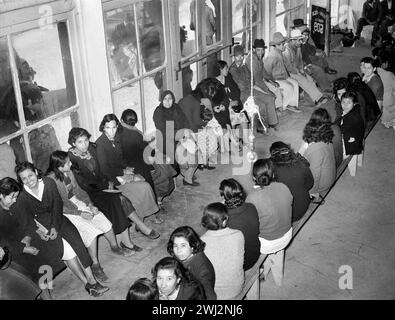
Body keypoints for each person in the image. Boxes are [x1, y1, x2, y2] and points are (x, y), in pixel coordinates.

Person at [12, 162, 109, 297]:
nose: (29, 180)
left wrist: (54, 226)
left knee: (78, 243)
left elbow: (57, 205)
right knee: (68, 252)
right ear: (21, 181)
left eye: (30, 175)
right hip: (41, 226)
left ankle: (92, 279)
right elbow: (28, 220)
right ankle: (87, 282)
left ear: (35, 171)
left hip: (57, 218)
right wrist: (40, 232)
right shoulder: (22, 195)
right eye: (24, 179)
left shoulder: (48, 183)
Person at [46, 151, 132, 282]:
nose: (70, 164)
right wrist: (80, 213)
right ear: (59, 166)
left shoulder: (69, 172)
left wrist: (90, 205)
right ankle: (95, 264)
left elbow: (79, 191)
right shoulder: (51, 181)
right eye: (68, 163)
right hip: (65, 212)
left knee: (102, 219)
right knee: (91, 232)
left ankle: (115, 247)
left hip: (76, 203)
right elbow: (58, 207)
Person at [67, 127, 149, 250]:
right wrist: (104, 186)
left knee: (120, 198)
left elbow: (103, 170)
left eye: (86, 140)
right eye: (80, 142)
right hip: (91, 192)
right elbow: (83, 183)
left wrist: (109, 182)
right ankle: (131, 236)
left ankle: (128, 239)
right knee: (118, 200)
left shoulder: (92, 150)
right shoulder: (71, 159)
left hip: (105, 185)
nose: (84, 145)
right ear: (73, 143)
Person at [95, 114, 162, 229]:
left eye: (114, 127)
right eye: (108, 128)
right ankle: (141, 219)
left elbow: (121, 159)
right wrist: (123, 173)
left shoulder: (116, 139)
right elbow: (104, 169)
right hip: (111, 181)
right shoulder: (101, 144)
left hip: (120, 174)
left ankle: (146, 215)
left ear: (117, 126)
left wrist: (127, 169)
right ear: (103, 128)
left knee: (145, 183)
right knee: (143, 187)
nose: (111, 131)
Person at [0, 177, 64, 282]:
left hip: (27, 237)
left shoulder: (18, 203)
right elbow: (3, 241)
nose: (15, 200)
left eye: (16, 196)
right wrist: (24, 249)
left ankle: (45, 287)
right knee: (28, 270)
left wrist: (28, 237)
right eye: (12, 197)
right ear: (1, 195)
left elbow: (29, 221)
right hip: (12, 249)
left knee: (47, 253)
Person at [246, 159, 293, 286]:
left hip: (267, 243)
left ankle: (261, 270)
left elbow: (250, 225)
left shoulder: (252, 197)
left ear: (253, 177)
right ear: (273, 175)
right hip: (287, 235)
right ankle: (273, 274)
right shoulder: (283, 187)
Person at [119, 109, 176, 204]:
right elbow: (148, 150)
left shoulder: (120, 131)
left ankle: (159, 194)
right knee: (164, 165)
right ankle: (158, 195)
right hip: (139, 164)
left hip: (131, 161)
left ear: (121, 120)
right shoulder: (134, 134)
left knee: (164, 161)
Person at [153, 90, 199, 186]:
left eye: (170, 99)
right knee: (184, 152)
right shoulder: (158, 112)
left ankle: (187, 173)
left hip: (181, 136)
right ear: (161, 100)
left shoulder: (176, 107)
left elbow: (185, 121)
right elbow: (164, 131)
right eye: (165, 99)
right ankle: (187, 177)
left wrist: (187, 132)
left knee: (196, 150)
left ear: (173, 99)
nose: (167, 101)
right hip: (167, 141)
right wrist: (181, 136)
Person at [200, 202, 244, 299]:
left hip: (213, 293)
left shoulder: (202, 241)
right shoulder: (238, 235)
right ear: (224, 221)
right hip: (236, 287)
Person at [219, 179, 260, 270]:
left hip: (241, 264)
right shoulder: (251, 207)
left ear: (223, 197)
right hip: (254, 253)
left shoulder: (225, 220)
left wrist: (221, 208)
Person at [167, 226, 217, 300]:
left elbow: (210, 296)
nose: (178, 250)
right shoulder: (187, 257)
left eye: (183, 245)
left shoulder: (202, 271)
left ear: (192, 246)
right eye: (175, 246)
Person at [269, 142, 314, 222]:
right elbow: (310, 184)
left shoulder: (272, 169)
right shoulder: (301, 163)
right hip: (303, 205)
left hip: (286, 214)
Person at [283, 29, 328, 107]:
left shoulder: (298, 47)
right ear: (293, 40)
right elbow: (288, 67)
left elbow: (300, 60)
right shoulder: (286, 50)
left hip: (296, 70)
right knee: (303, 80)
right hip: (287, 72)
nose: (301, 42)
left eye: (301, 40)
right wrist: (299, 72)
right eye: (299, 40)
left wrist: (302, 70)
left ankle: (318, 97)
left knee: (310, 79)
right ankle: (317, 99)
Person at [245, 39, 283, 125]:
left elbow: (263, 72)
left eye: (262, 50)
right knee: (269, 95)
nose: (261, 52)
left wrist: (271, 81)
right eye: (258, 50)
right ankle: (271, 116)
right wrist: (267, 90)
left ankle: (275, 109)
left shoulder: (259, 58)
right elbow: (257, 80)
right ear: (254, 50)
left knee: (276, 88)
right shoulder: (251, 60)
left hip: (260, 81)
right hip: (253, 85)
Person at [300, 118, 336, 202]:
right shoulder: (326, 139)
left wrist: (312, 191)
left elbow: (315, 175)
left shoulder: (315, 150)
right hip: (329, 176)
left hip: (322, 183)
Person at [264, 32, 300, 112]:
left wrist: (293, 72)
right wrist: (272, 82)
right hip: (275, 79)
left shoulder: (280, 53)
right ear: (277, 45)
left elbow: (286, 66)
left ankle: (292, 104)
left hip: (283, 77)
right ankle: (283, 106)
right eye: (283, 44)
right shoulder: (272, 56)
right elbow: (266, 71)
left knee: (295, 83)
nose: (284, 46)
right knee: (289, 87)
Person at [216, 60, 249, 145]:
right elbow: (216, 100)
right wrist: (229, 104)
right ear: (220, 70)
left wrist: (236, 100)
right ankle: (234, 139)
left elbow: (236, 89)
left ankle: (246, 141)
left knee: (243, 118)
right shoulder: (214, 83)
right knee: (231, 118)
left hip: (234, 104)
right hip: (224, 108)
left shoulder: (228, 77)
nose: (228, 70)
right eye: (226, 69)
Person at [339, 91, 366, 157]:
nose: (345, 105)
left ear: (354, 104)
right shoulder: (354, 112)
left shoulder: (351, 118)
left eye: (348, 103)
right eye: (343, 102)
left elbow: (340, 130)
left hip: (352, 146)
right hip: (356, 138)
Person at [375, 54, 395, 129]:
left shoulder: (372, 72)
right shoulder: (389, 74)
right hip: (386, 101)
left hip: (375, 100)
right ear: (384, 64)